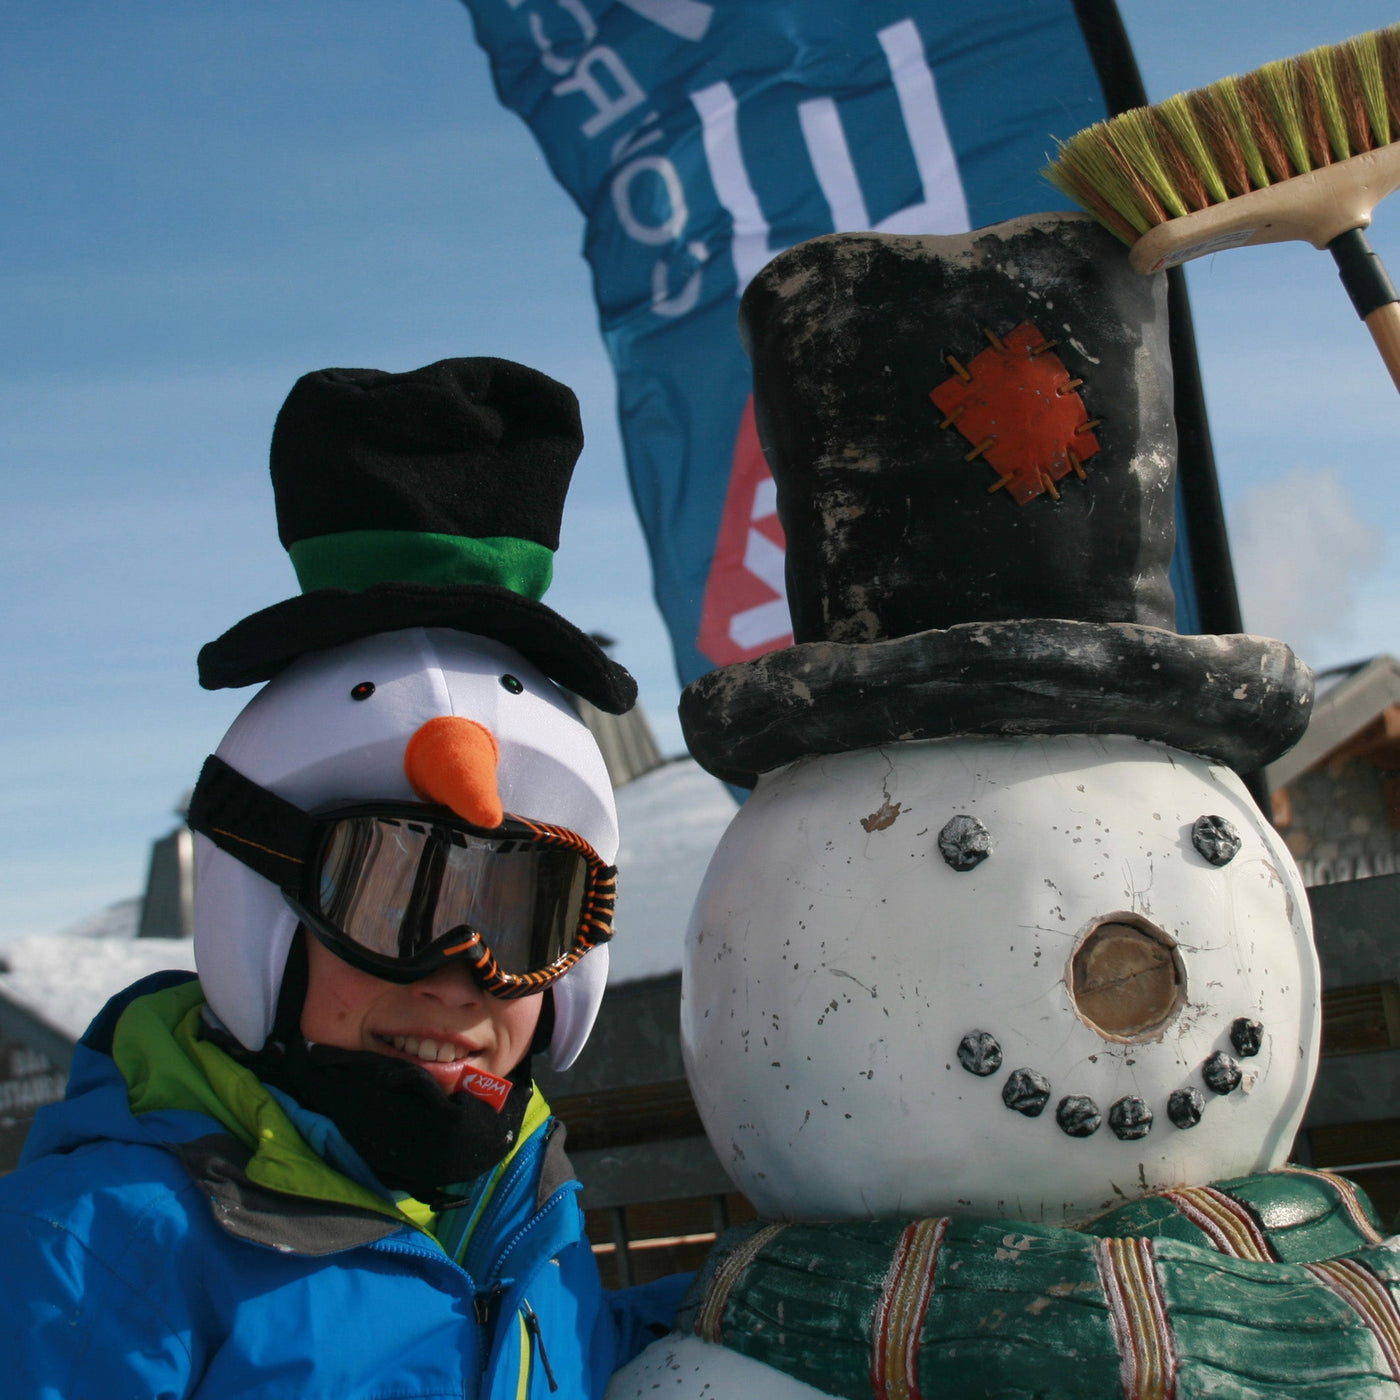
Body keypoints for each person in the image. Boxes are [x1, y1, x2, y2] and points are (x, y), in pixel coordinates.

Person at [0, 358, 688, 1398]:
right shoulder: (96, 1250)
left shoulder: (511, 1196)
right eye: (389, 894)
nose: (459, 977)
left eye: (521, 912)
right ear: (258, 909)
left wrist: (752, 1311)